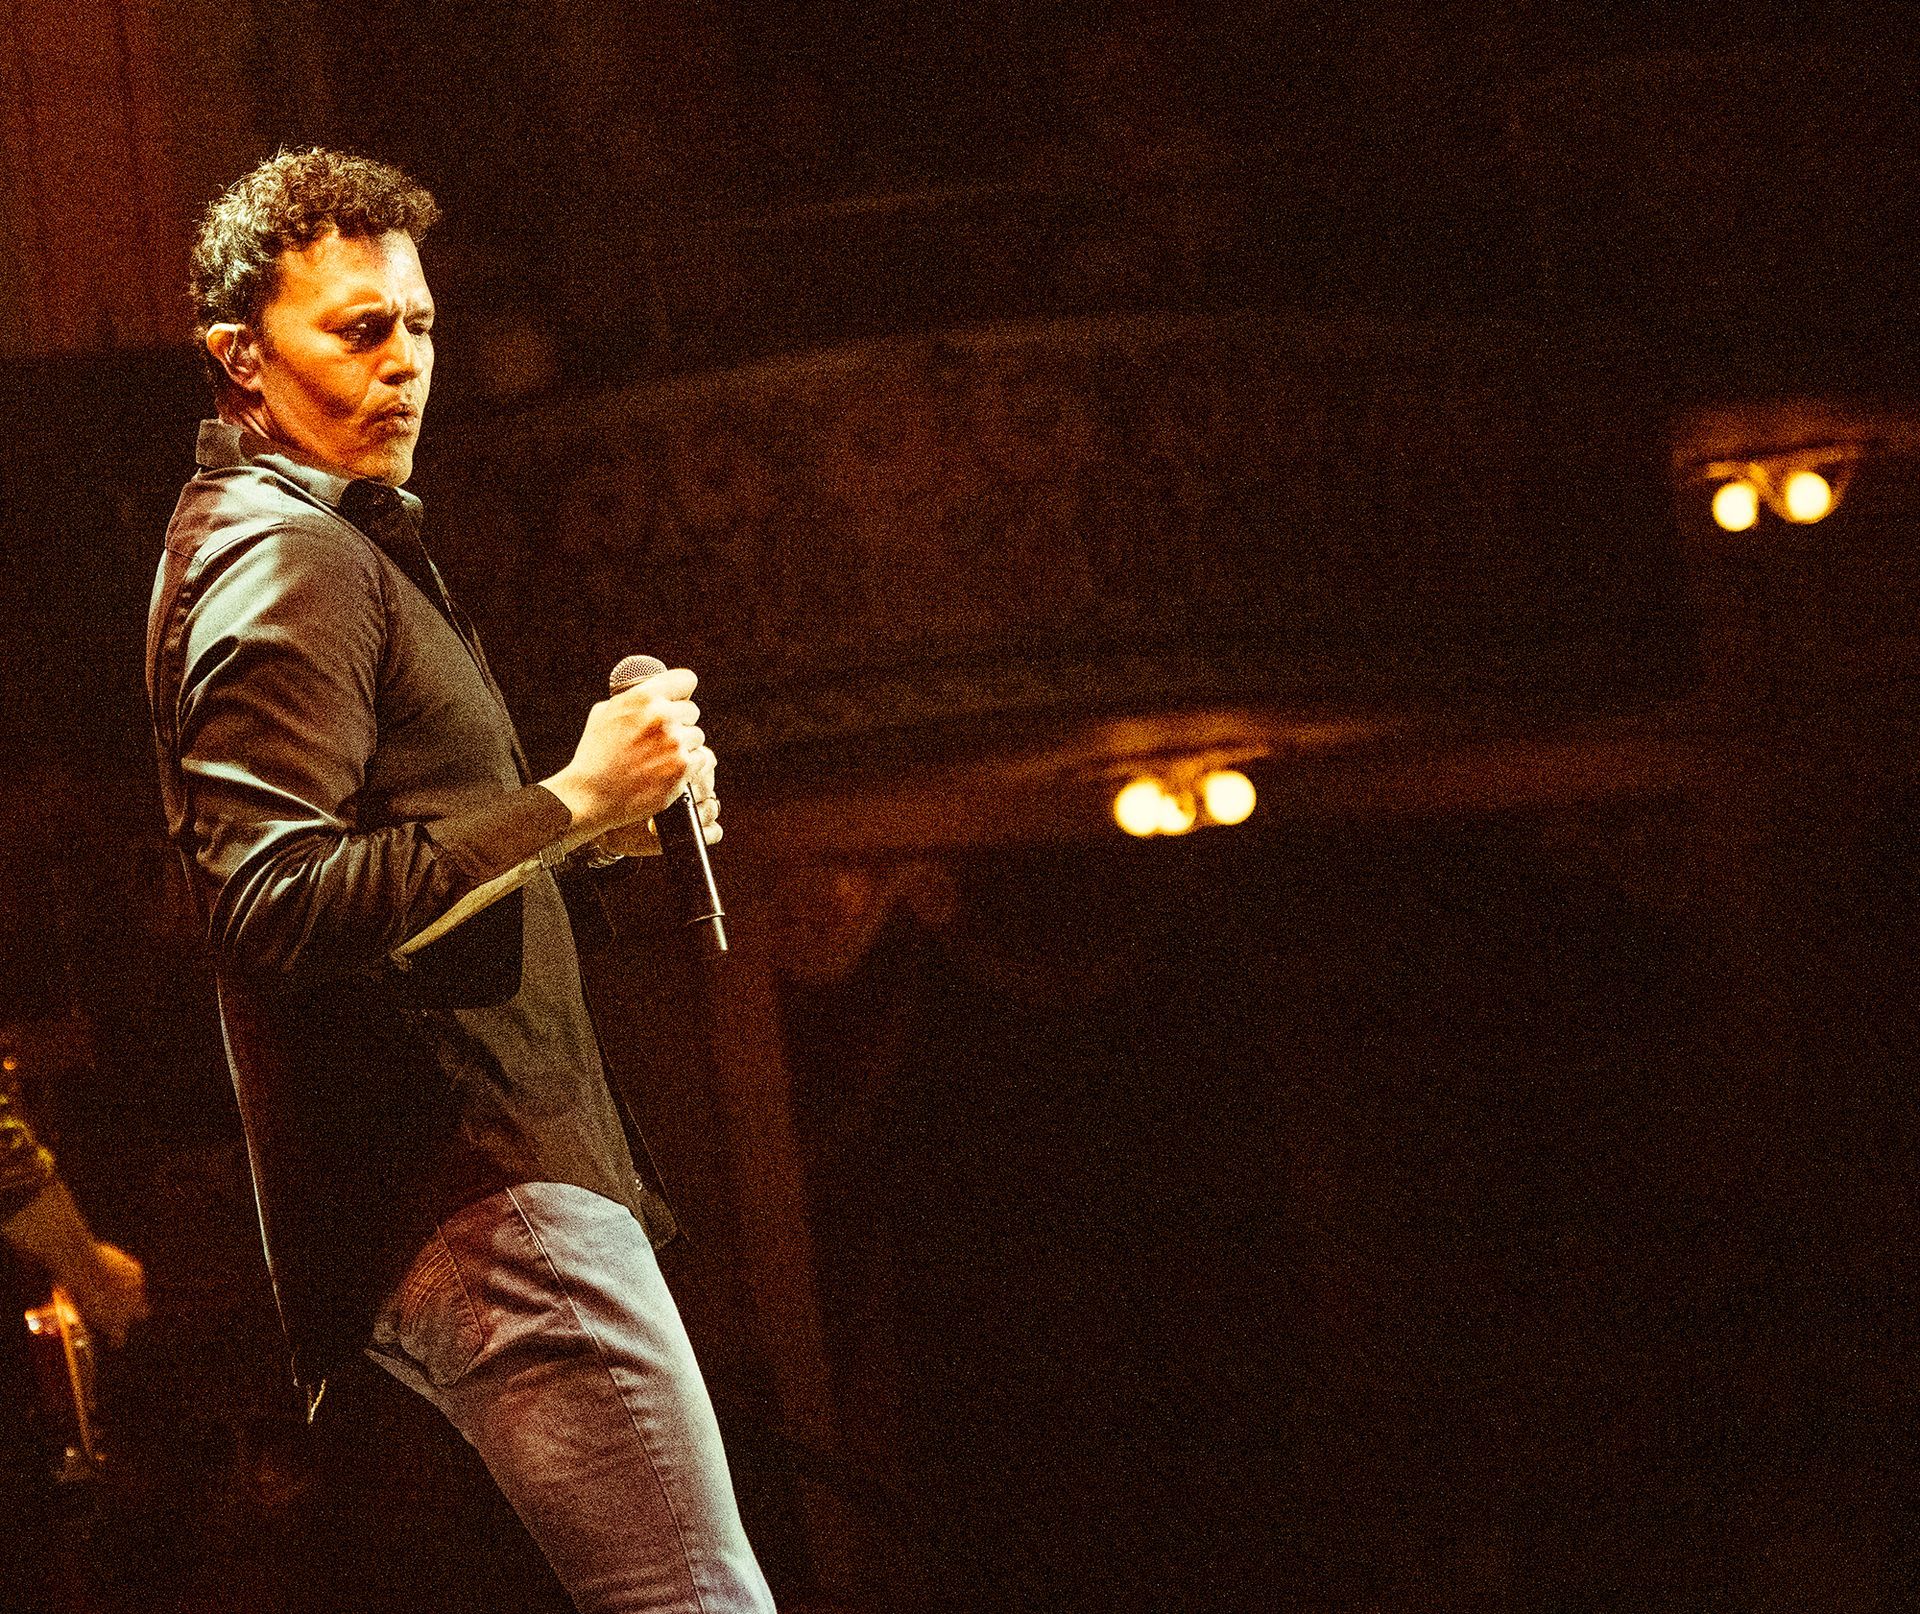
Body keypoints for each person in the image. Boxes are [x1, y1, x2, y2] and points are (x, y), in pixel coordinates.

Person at [145, 149, 772, 1614]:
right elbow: (276, 903)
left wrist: (602, 826)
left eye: (419, 326)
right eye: (358, 331)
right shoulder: (282, 556)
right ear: (242, 359)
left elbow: (387, 865)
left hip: (471, 1190)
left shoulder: (320, 543)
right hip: (483, 1181)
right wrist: (565, 795)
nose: (406, 364)